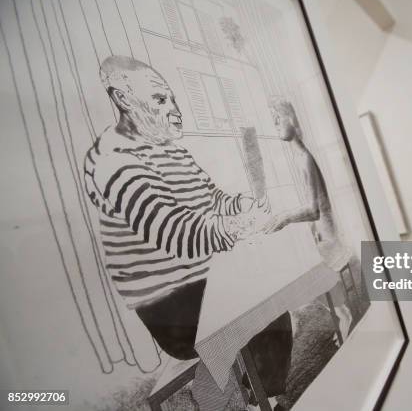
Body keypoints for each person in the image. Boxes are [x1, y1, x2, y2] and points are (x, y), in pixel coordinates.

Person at [83, 55, 291, 409]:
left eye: (173, 98)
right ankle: (255, 399)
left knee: (274, 300)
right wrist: (235, 226)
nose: (174, 108)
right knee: (269, 310)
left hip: (204, 284)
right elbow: (176, 234)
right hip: (171, 306)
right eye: (161, 99)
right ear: (122, 99)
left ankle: (255, 395)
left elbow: (210, 197)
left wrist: (238, 204)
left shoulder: (170, 150)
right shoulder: (114, 160)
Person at [262, 98, 354, 340]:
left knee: (297, 275)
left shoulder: (304, 158)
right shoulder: (297, 158)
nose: (276, 125)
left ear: (291, 119)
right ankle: (340, 312)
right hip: (321, 235)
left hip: (330, 241)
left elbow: (314, 210)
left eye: (278, 118)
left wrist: (284, 217)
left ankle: (341, 315)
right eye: (272, 121)